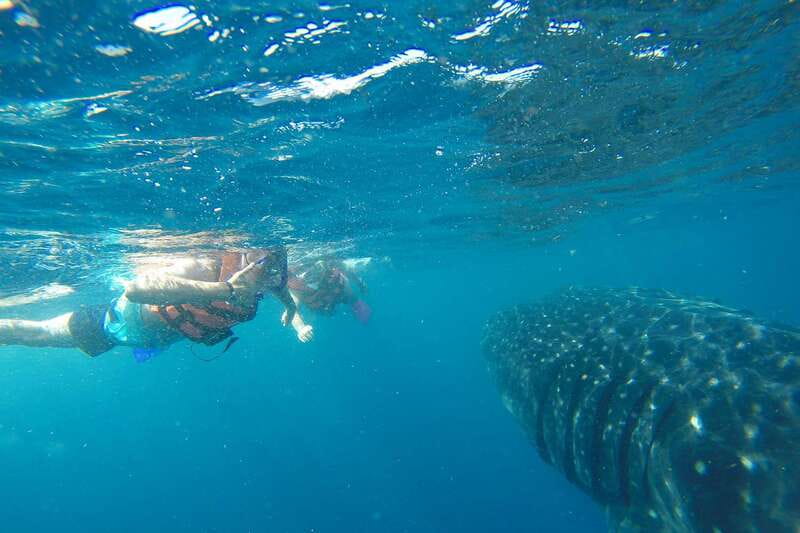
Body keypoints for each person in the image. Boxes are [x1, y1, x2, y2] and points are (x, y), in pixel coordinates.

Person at [0, 247, 314, 359]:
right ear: (244, 254)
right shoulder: (206, 267)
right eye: (262, 263)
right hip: (109, 325)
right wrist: (225, 289)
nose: (269, 274)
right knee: (36, 334)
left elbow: (279, 289)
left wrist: (290, 309)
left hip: (147, 339)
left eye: (275, 265)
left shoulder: (265, 276)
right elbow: (137, 289)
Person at [287, 259, 372, 324]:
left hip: (340, 293)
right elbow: (291, 312)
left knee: (352, 298)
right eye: (290, 276)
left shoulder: (323, 270)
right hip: (324, 308)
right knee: (326, 313)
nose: (300, 277)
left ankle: (356, 304)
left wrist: (360, 283)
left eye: (302, 270)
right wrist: (301, 328)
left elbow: (344, 269)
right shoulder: (296, 293)